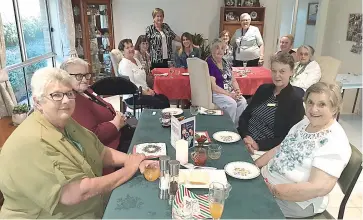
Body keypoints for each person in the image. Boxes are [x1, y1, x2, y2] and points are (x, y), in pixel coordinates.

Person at [0, 67, 155, 218]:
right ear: (38, 102)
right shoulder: (32, 142)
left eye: (69, 93)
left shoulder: (65, 121)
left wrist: (133, 160)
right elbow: (74, 193)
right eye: (56, 95)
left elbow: (99, 151)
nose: (66, 100)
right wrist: (128, 170)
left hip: (92, 206)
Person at [256, 82, 351, 218]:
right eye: (310, 102)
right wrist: (254, 166)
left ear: (334, 108)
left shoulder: (334, 141)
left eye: (322, 104)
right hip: (268, 182)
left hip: (296, 201)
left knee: (244, 206)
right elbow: (280, 148)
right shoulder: (304, 123)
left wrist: (272, 190)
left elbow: (317, 187)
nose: (313, 109)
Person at [60, 58, 130, 165]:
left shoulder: (86, 90)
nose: (84, 80)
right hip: (110, 151)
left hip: (119, 136)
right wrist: (115, 124)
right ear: (64, 77)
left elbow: (105, 106)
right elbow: (91, 135)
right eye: (79, 76)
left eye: (86, 75)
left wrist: (116, 115)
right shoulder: (72, 101)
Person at [238, 52, 305, 153]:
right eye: (274, 71)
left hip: (264, 149)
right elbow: (245, 116)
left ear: (291, 72)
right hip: (243, 138)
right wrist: (246, 136)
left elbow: (289, 136)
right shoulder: (263, 89)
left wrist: (258, 145)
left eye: (282, 71)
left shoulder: (295, 101)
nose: (277, 75)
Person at [118, 38, 170, 109]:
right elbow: (131, 86)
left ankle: (165, 118)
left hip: (143, 91)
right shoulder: (124, 65)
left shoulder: (136, 60)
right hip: (133, 96)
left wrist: (148, 89)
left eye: (131, 46)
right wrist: (145, 93)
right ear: (122, 51)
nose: (131, 49)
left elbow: (142, 80)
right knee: (159, 103)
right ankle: (154, 119)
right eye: (127, 48)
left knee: (164, 99)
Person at [207, 38, 247, 127]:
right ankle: (228, 128)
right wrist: (230, 95)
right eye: (217, 48)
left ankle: (236, 127)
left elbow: (233, 80)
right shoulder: (210, 63)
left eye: (222, 48)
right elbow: (213, 86)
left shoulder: (226, 62)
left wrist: (237, 91)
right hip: (217, 93)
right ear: (212, 49)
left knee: (243, 101)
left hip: (229, 91)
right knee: (231, 103)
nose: (220, 50)